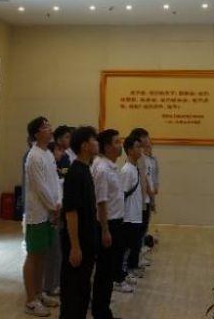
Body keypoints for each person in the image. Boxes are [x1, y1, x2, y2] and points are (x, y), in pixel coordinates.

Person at [23, 117, 61, 317]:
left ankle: (39, 293)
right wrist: (53, 207)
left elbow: (55, 182)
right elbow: (40, 188)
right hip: (38, 214)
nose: (50, 129)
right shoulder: (34, 156)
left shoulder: (48, 154)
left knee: (44, 254)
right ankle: (30, 301)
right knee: (34, 255)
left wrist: (58, 203)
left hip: (50, 212)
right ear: (36, 134)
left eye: (49, 125)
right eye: (45, 127)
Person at [60, 126, 99, 319]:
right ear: (84, 146)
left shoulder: (85, 169)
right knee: (73, 293)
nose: (97, 143)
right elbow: (71, 212)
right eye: (94, 140)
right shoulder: (75, 173)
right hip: (78, 242)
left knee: (82, 290)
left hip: (87, 240)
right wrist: (75, 247)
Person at [91, 129, 128, 319]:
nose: (120, 145)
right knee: (104, 270)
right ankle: (101, 312)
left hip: (115, 222)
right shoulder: (102, 169)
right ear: (106, 147)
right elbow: (101, 202)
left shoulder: (111, 166)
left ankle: (103, 307)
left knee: (109, 268)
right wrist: (105, 230)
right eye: (116, 142)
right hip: (107, 224)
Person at [41, 141, 64, 299]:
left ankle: (53, 284)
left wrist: (59, 204)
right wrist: (54, 207)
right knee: (51, 253)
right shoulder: (46, 168)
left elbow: (58, 190)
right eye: (58, 150)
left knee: (56, 252)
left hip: (57, 210)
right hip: (50, 213)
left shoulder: (55, 169)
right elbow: (47, 191)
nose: (61, 153)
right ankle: (48, 286)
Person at [120, 135, 144, 281]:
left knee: (132, 246)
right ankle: (122, 275)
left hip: (135, 215)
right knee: (126, 247)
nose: (140, 149)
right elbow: (122, 195)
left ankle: (127, 272)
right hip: (128, 217)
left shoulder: (134, 168)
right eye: (137, 147)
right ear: (129, 150)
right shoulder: (127, 170)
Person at [130, 128, 154, 267]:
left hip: (145, 200)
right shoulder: (139, 159)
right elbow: (142, 181)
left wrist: (151, 198)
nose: (148, 140)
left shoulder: (145, 157)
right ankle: (134, 261)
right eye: (146, 137)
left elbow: (148, 179)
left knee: (143, 230)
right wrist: (144, 201)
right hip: (141, 201)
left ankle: (138, 257)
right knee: (138, 233)